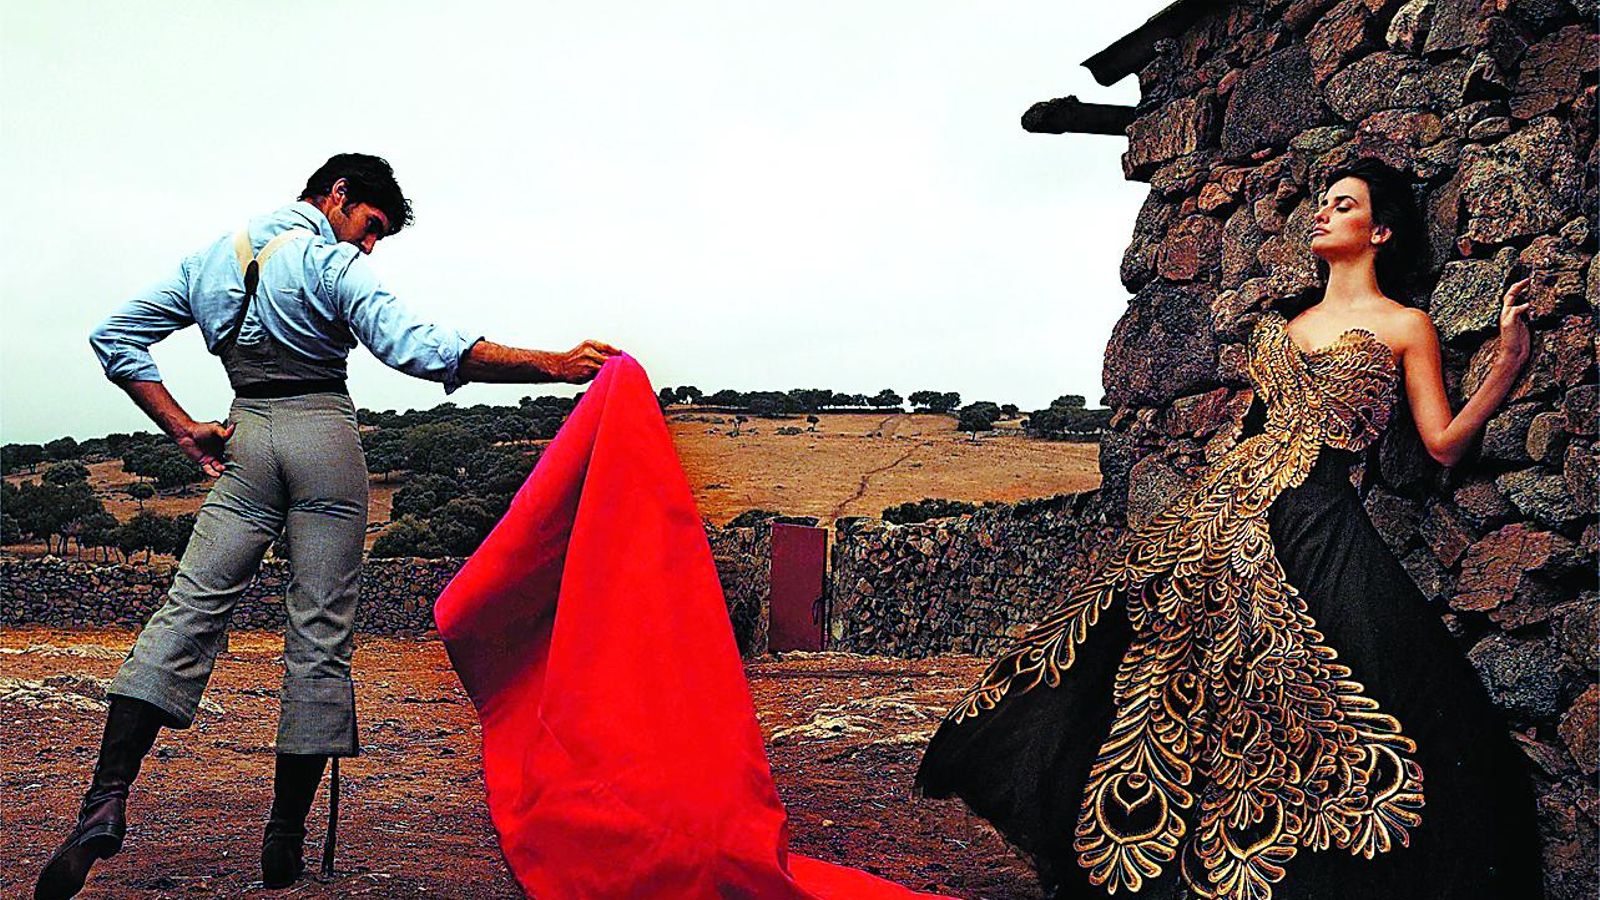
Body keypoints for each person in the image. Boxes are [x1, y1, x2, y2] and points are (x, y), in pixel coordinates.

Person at [915, 158, 1544, 899]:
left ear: (1378, 231)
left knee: (1357, 682)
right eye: (1322, 202)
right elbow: (1254, 431)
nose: (1322, 213)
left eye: (1342, 205)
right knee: (1127, 652)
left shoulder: (1406, 327)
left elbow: (1440, 442)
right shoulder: (1285, 329)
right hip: (1225, 516)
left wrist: (1504, 366)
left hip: (1320, 518)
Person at [35, 153, 620, 900]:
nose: (367, 247)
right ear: (336, 194)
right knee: (320, 636)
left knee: (186, 612)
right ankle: (283, 841)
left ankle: (104, 802)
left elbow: (114, 337)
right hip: (324, 438)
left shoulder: (211, 260)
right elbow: (421, 348)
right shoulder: (328, 264)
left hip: (244, 434)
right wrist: (551, 363)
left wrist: (184, 428)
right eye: (370, 227)